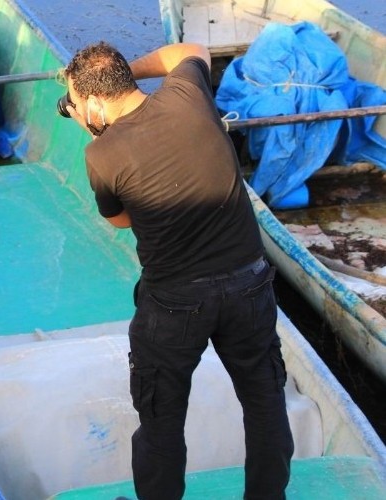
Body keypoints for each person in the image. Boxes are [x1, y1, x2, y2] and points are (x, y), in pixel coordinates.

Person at [61, 42, 294, 499]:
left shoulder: (102, 155)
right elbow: (189, 50)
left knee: (161, 421)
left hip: (173, 304)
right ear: (127, 79)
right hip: (250, 285)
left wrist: (98, 136)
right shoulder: (189, 94)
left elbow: (122, 219)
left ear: (89, 103)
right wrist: (128, 70)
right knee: (264, 402)